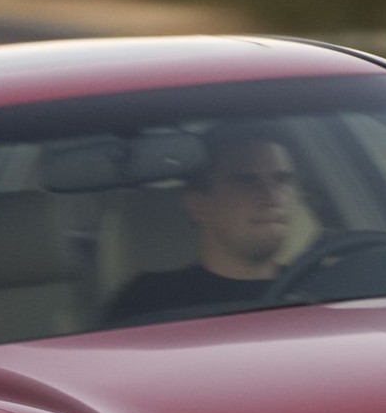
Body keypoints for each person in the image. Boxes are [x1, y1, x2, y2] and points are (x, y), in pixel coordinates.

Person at [102, 131, 301, 324]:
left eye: (281, 180)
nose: (271, 197)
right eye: (246, 181)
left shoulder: (316, 286)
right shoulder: (149, 303)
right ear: (198, 205)